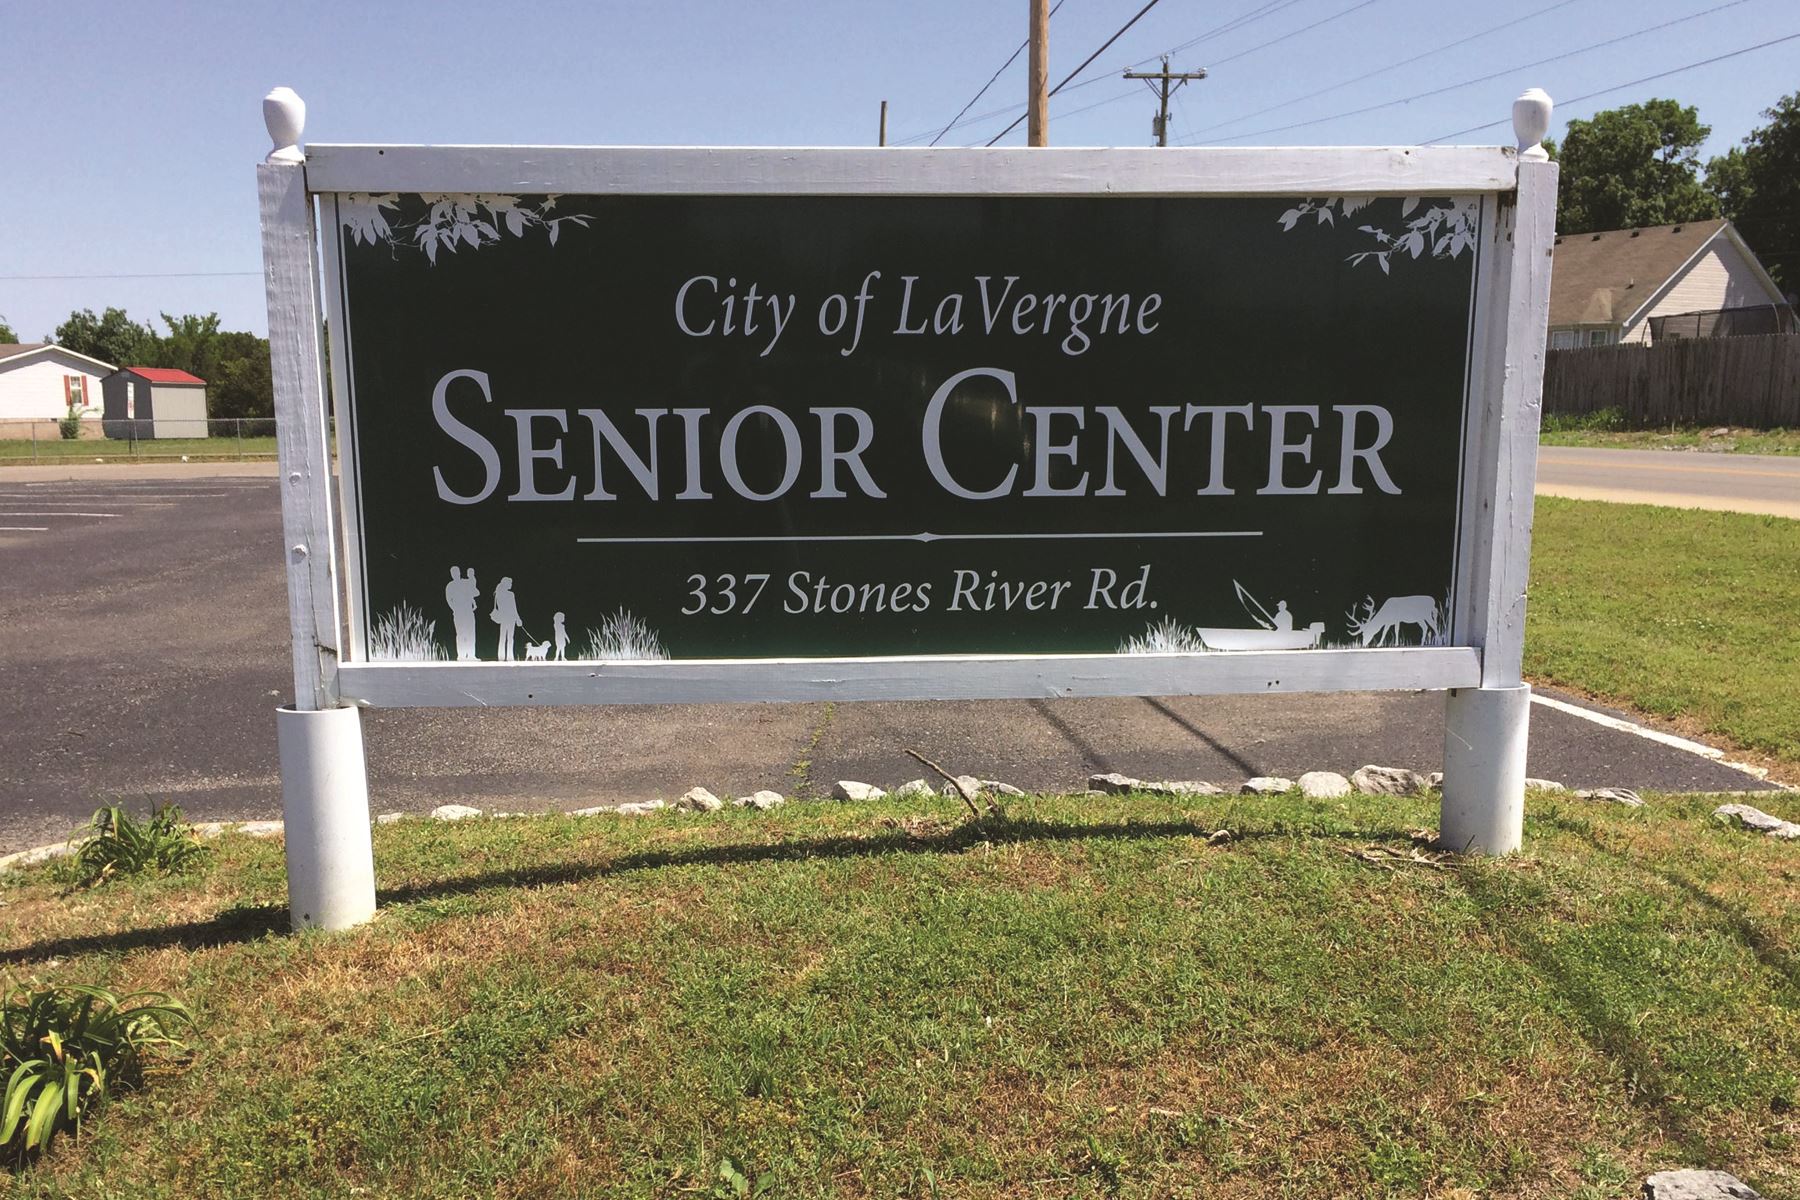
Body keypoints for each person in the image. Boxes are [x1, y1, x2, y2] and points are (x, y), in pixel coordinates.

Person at [446, 567, 479, 660]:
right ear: (451, 574)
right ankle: (461, 655)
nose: (455, 574)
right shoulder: (450, 586)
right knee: (461, 633)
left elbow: (473, 591)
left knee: (471, 633)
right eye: (453, 572)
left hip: (468, 612)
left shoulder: (465, 583)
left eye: (456, 572)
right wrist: (455, 609)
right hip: (459, 613)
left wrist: (472, 576)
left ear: (459, 573)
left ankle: (471, 655)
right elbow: (449, 600)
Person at [490, 577, 521, 662]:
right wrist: (518, 618)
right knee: (510, 638)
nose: (511, 585)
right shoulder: (510, 594)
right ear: (506, 584)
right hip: (510, 618)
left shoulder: (498, 594)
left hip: (504, 618)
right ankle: (510, 657)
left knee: (502, 637)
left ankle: (501, 656)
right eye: (510, 583)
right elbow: (514, 608)